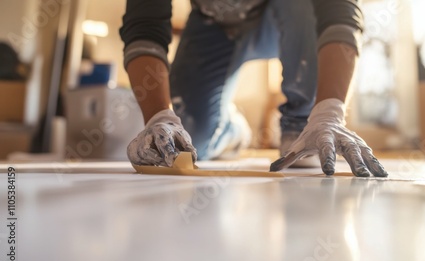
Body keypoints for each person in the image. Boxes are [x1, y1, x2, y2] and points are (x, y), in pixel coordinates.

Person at [120, 0, 388, 177]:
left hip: (294, 12)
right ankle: (230, 131)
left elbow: (341, 14)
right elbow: (145, 28)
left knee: (303, 152)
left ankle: (301, 122)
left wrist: (329, 112)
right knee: (187, 142)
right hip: (214, 24)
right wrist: (158, 116)